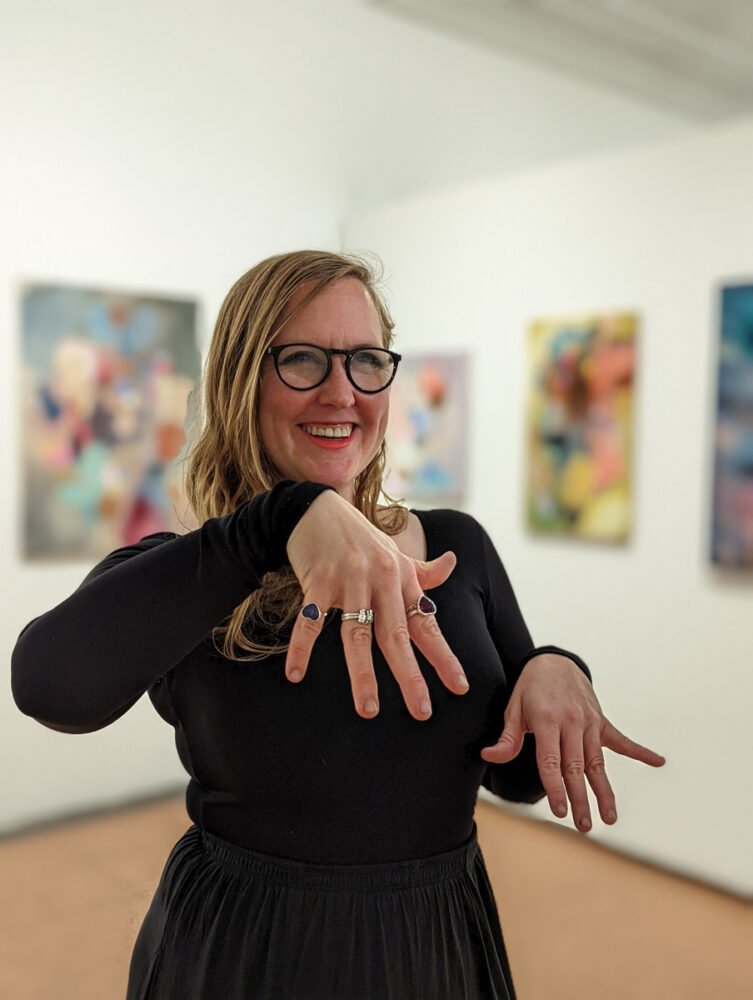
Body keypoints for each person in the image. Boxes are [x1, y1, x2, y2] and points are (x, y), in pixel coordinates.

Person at [11, 250, 664, 1000]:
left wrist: (555, 666)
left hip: (433, 949)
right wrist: (274, 521)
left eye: (365, 361)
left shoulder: (454, 548)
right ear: (240, 380)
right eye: (301, 359)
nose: (341, 392)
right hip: (247, 956)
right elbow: (50, 687)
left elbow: (513, 774)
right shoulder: (198, 568)